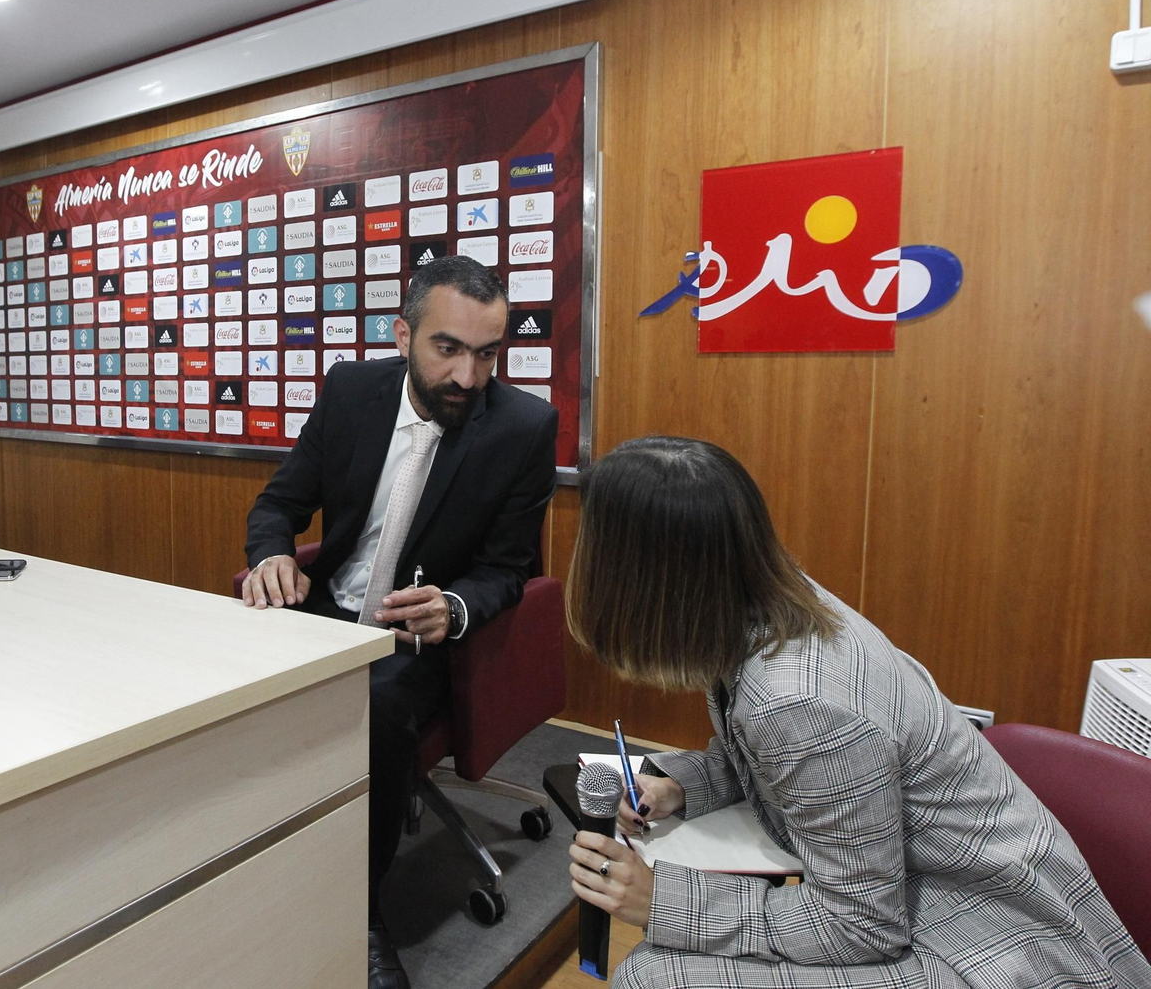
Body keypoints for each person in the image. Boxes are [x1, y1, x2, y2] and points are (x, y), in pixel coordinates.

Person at [563, 437, 1151, 988]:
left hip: (985, 940)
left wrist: (661, 900)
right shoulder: (774, 598)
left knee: (653, 975)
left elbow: (861, 925)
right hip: (944, 899)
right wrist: (684, 784)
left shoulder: (800, 700)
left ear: (641, 580)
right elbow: (787, 769)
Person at [243, 255, 558, 989]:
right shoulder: (352, 391)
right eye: (447, 348)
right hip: (322, 616)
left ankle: (360, 917)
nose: (467, 377)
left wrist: (453, 607)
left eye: (486, 354)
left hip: (417, 643)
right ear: (403, 334)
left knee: (378, 702)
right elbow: (279, 504)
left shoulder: (523, 427)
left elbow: (510, 569)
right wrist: (270, 557)